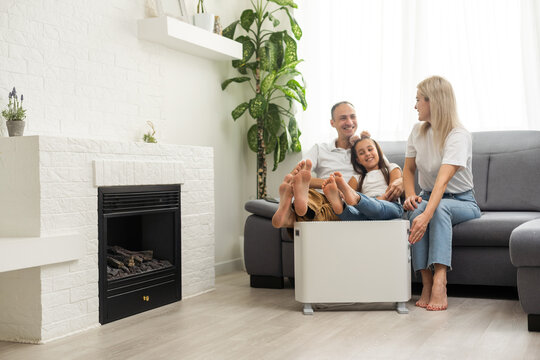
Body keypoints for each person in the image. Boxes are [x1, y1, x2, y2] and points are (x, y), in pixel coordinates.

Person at [403, 76, 481, 311]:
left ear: (433, 101)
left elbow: (442, 181)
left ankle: (440, 281)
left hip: (462, 201)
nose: (415, 105)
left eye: (418, 100)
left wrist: (427, 214)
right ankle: (425, 283)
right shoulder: (417, 131)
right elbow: (408, 169)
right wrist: (410, 196)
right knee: (419, 207)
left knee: (436, 209)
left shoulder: (458, 135)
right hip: (429, 195)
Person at [272, 101, 403, 229]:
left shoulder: (364, 150)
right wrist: (329, 183)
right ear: (332, 123)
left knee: (328, 210)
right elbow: (295, 176)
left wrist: (401, 181)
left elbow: (386, 168)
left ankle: (289, 217)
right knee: (310, 197)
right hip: (321, 193)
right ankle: (296, 209)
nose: (349, 122)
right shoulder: (320, 149)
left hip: (343, 201)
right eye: (343, 118)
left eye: (352, 117)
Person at [321, 135, 404, 221]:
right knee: (353, 215)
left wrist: (367, 202)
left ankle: (357, 199)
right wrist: (363, 205)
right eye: (361, 153)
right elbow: (349, 199)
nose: (367, 154)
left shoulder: (392, 168)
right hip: (364, 208)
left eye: (370, 149)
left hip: (390, 205)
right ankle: (340, 206)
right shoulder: (356, 178)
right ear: (358, 160)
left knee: (377, 208)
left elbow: (393, 193)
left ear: (379, 152)